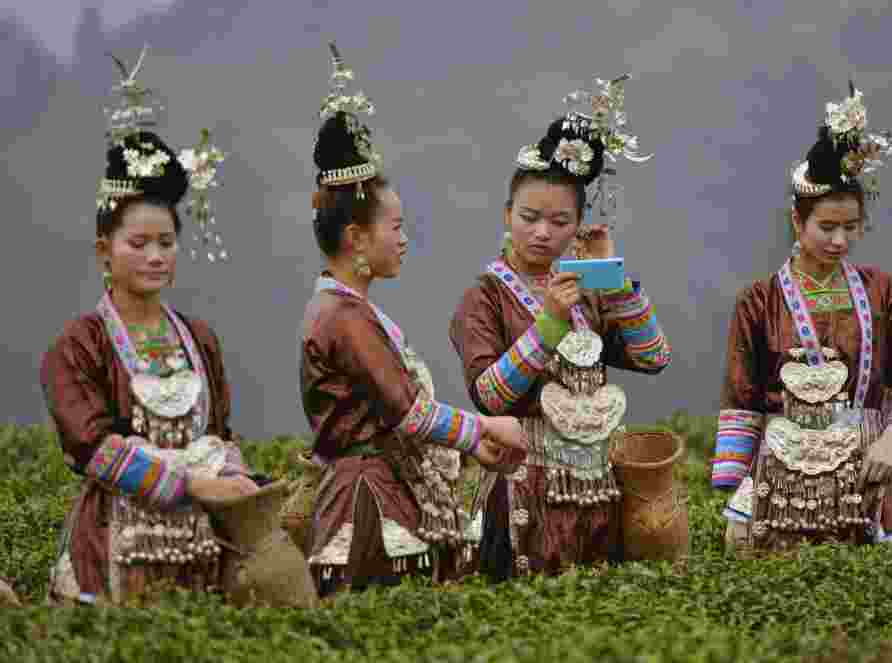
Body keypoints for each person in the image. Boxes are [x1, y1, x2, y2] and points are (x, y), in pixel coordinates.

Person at [300, 44, 527, 596]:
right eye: (395, 227)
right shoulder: (343, 318)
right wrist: (480, 431)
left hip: (382, 485)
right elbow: (407, 410)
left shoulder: (346, 309)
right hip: (366, 498)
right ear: (356, 239)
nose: (404, 240)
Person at [41, 47, 258, 605]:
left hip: (200, 543)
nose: (155, 256)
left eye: (166, 243)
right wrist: (190, 483)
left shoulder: (199, 338)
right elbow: (92, 448)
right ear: (103, 251)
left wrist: (233, 476)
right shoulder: (79, 344)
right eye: (138, 244)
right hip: (115, 540)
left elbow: (222, 433)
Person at [450, 75, 672, 580]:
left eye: (560, 221)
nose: (543, 232)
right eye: (529, 216)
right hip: (523, 488)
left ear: (579, 226)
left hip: (597, 486)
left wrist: (613, 278)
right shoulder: (483, 297)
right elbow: (489, 395)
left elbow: (655, 357)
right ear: (507, 215)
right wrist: (547, 322)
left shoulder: (589, 291)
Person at [712, 82, 892, 550]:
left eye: (851, 227)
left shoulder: (879, 289)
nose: (839, 241)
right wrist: (737, 493)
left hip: (869, 468)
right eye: (826, 227)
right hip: (782, 474)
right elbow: (741, 398)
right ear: (797, 221)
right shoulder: (759, 300)